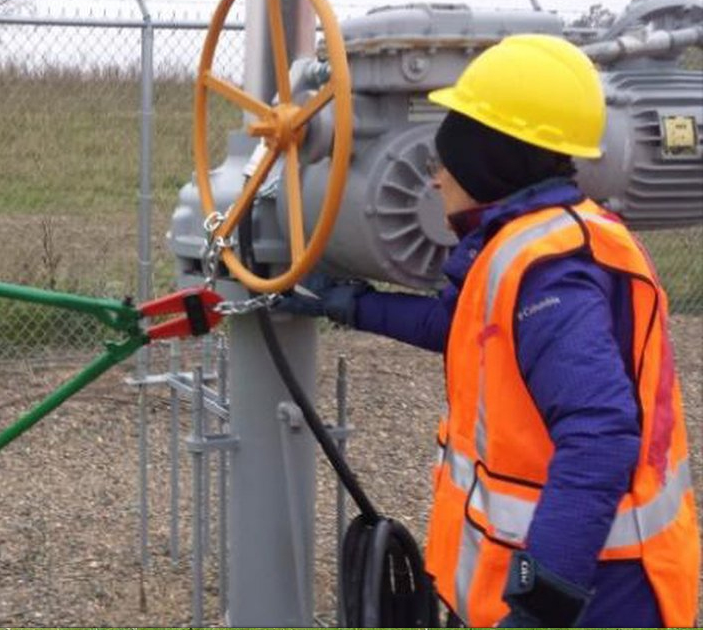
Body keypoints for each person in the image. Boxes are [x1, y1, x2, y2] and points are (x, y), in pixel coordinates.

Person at [284, 35, 698, 627]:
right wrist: (352, 305)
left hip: (601, 594)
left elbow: (599, 435)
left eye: (445, 158)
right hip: (576, 579)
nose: (434, 179)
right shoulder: (530, 244)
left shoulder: (552, 271)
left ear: (488, 159)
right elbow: (462, 324)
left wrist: (540, 601)